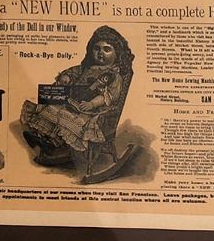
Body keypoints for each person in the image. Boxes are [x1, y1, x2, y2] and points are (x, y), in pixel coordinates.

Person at [19, 26, 134, 177]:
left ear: (117, 54)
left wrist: (92, 104)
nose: (100, 52)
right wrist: (65, 78)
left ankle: (54, 144)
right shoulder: (87, 68)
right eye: (97, 48)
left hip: (93, 111)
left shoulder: (114, 76)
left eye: (107, 49)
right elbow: (72, 72)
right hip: (73, 103)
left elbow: (109, 97)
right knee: (50, 108)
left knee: (74, 121)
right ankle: (47, 141)